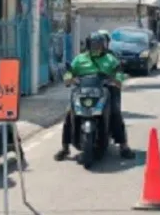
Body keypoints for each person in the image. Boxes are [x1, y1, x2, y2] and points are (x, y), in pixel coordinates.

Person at [54, 32, 135, 161]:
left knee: (115, 112)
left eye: (99, 45)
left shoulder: (110, 59)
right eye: (94, 44)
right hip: (83, 91)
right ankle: (65, 148)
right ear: (88, 45)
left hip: (105, 91)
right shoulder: (80, 59)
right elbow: (70, 72)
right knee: (69, 113)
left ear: (104, 46)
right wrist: (69, 79)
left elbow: (118, 72)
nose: (97, 47)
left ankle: (123, 146)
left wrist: (116, 80)